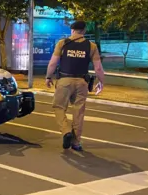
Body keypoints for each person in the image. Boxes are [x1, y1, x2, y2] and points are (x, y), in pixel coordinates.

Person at [45, 21, 105, 152]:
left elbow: (53, 63)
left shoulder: (63, 43)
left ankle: (66, 131)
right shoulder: (91, 46)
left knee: (59, 107)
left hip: (64, 81)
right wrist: (101, 82)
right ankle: (76, 142)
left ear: (72, 30)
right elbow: (98, 68)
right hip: (82, 82)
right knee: (79, 112)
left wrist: (48, 77)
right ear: (84, 31)